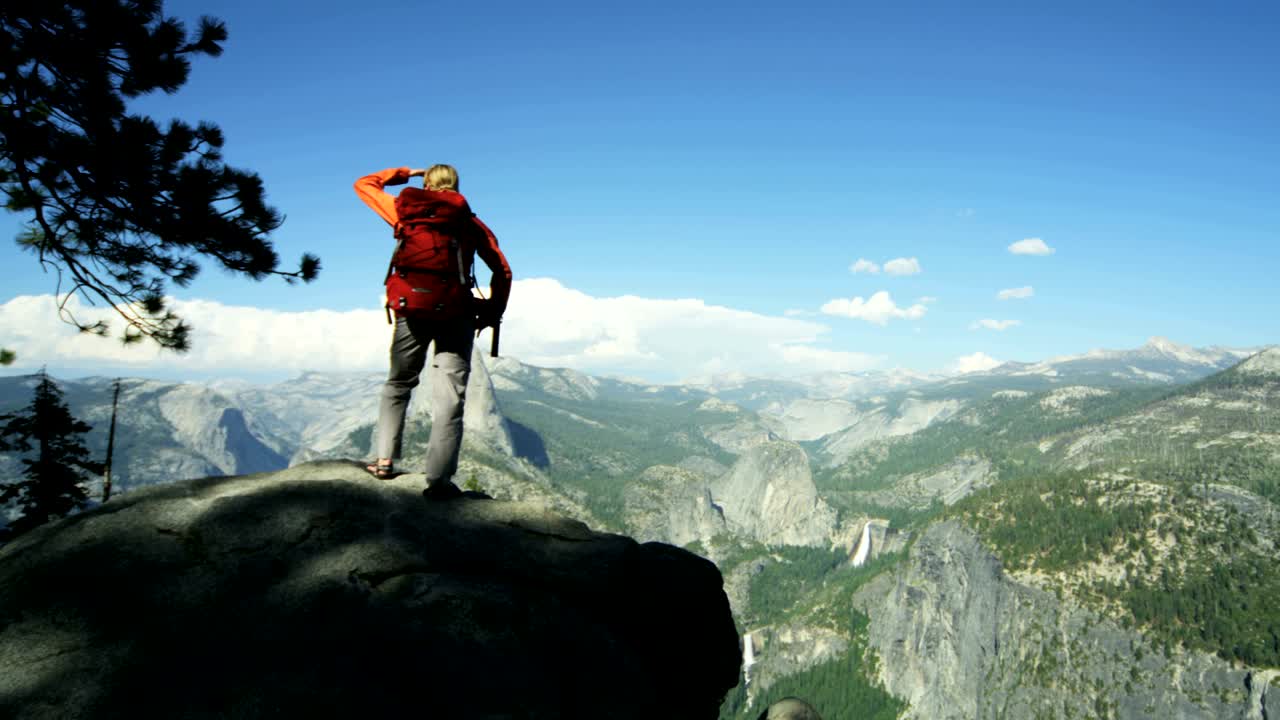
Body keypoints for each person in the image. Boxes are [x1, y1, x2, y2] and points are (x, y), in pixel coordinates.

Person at [354, 164, 512, 499]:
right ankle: (438, 481)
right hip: (457, 313)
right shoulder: (469, 223)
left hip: (411, 311)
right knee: (450, 399)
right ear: (456, 187)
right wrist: (492, 311)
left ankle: (384, 461)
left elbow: (364, 184)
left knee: (398, 383)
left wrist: (405, 173)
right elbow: (502, 270)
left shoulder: (403, 210)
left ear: (426, 184)